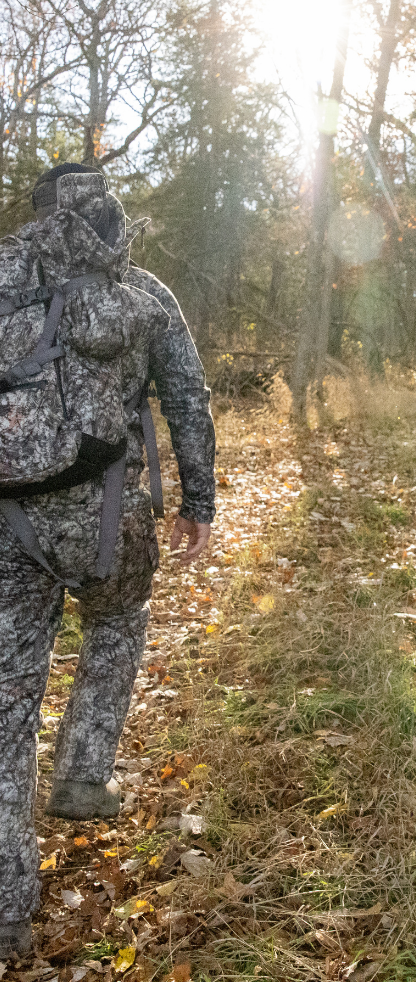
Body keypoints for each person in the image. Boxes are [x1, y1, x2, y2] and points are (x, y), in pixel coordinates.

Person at [0, 163, 216, 959]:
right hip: (108, 513)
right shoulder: (145, 289)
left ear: (39, 215)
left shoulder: (3, 271)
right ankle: (84, 773)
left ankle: (5, 913)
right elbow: (187, 398)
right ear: (102, 212)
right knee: (120, 615)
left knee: (6, 707)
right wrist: (199, 501)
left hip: (7, 515)